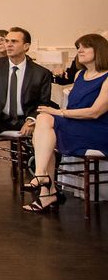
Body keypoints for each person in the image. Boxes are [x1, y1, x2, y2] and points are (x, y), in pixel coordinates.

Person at [25, 33, 108, 213]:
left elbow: (95, 112)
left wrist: (59, 112)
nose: (80, 50)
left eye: (85, 46)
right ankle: (45, 185)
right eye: (78, 47)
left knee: (45, 123)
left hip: (97, 130)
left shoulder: (107, 77)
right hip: (75, 125)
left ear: (100, 50)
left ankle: (44, 185)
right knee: (44, 124)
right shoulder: (79, 75)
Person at [0, 27, 52, 197]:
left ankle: (47, 182)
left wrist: (32, 120)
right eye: (7, 41)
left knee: (51, 128)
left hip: (24, 119)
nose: (8, 45)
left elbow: (43, 103)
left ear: (26, 46)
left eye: (14, 41)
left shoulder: (41, 73)